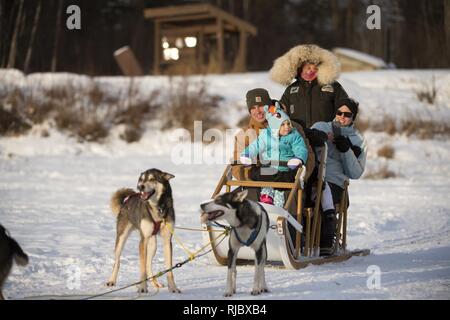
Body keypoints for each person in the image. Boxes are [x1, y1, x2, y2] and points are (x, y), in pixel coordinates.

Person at [311, 97, 367, 255]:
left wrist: (347, 151)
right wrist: (317, 137)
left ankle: (327, 239)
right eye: (339, 112)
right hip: (313, 177)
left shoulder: (357, 140)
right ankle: (296, 239)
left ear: (353, 118)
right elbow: (305, 144)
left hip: (335, 183)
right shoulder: (320, 126)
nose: (342, 116)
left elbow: (356, 173)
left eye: (347, 114)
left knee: (322, 198)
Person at [269, 44, 349, 143]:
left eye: (314, 68)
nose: (311, 71)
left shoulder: (333, 87)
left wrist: (340, 134)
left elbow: (346, 109)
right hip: (300, 140)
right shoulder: (291, 90)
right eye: (307, 67)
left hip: (328, 139)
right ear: (299, 69)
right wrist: (274, 106)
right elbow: (282, 111)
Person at [240, 102, 308, 207]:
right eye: (283, 125)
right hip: (268, 167)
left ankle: (279, 205)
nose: (287, 127)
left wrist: (298, 158)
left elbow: (300, 148)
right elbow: (256, 146)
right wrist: (246, 154)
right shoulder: (266, 135)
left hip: (285, 169)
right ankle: (266, 197)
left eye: (288, 123)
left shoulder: (293, 135)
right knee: (262, 176)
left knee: (281, 185)